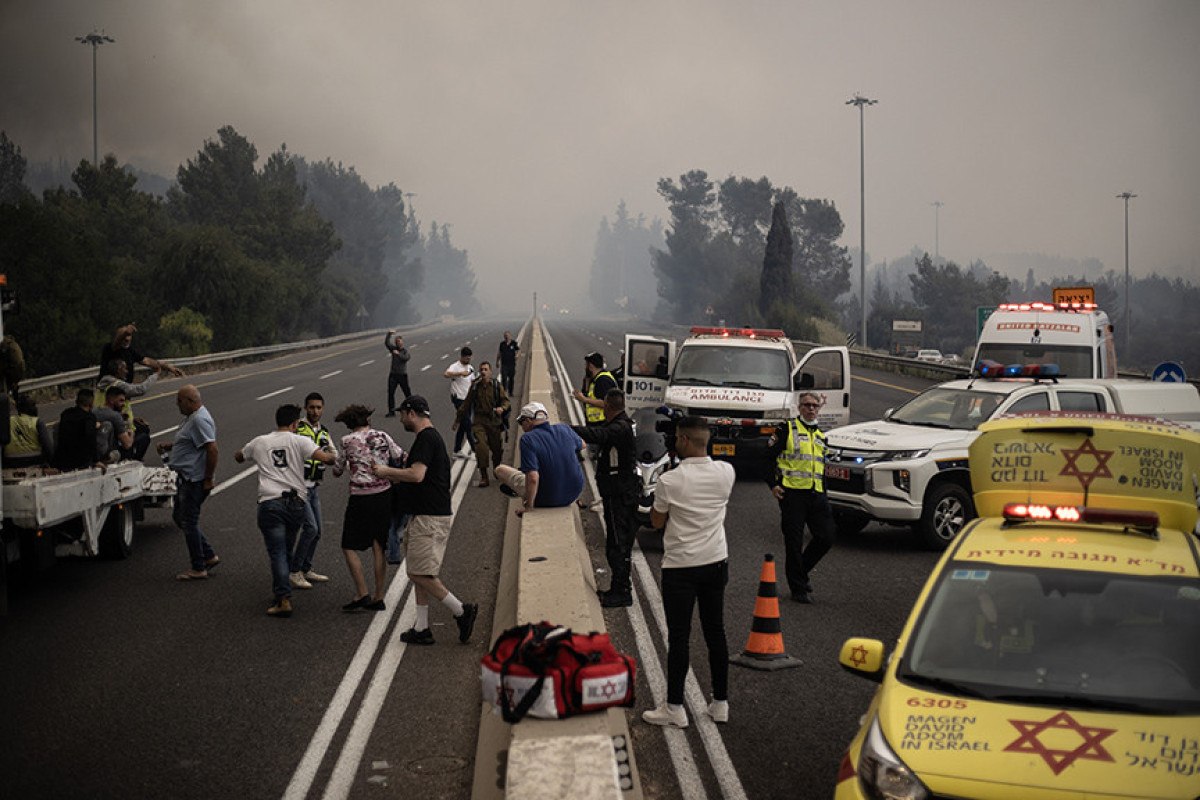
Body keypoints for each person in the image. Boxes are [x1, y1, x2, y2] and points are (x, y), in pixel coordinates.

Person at [642, 416, 736, 728]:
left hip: (681, 566)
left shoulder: (670, 480)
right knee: (716, 631)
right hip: (716, 561)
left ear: (682, 440)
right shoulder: (726, 472)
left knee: (680, 637)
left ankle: (674, 708)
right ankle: (720, 703)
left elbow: (656, 521)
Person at [373, 395, 477, 645]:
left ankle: (461, 610)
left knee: (419, 574)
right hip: (425, 514)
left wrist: (386, 472)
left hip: (429, 517)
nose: (401, 419)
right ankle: (422, 628)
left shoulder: (426, 438)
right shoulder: (430, 438)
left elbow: (417, 474)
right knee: (420, 571)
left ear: (411, 413)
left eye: (402, 414)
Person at [235, 404, 337, 617]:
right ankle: (283, 591)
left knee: (277, 552)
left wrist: (248, 453)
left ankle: (283, 598)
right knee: (286, 549)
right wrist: (330, 451)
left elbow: (239, 456)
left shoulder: (260, 441)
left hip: (270, 503)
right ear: (295, 423)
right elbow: (327, 459)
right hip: (295, 503)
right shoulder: (300, 441)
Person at [331, 404, 405, 612]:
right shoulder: (382, 436)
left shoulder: (346, 441)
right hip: (383, 495)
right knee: (378, 545)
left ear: (348, 424)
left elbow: (337, 469)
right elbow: (400, 456)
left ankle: (362, 592)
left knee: (348, 544)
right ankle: (379, 596)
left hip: (360, 497)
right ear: (368, 420)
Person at [572, 388, 639, 607]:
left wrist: (568, 429)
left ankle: (621, 592)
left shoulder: (620, 428)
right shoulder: (620, 423)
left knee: (618, 545)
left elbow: (598, 435)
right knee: (616, 543)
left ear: (608, 406)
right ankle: (617, 589)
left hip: (620, 495)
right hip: (617, 494)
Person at [766, 391, 835, 604]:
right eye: (806, 405)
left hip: (816, 494)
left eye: (815, 405)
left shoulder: (821, 435)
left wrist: (824, 493)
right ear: (799, 407)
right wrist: (773, 485)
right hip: (792, 495)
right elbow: (767, 457)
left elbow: (821, 467)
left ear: (819, 408)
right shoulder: (786, 429)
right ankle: (798, 588)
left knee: (826, 537)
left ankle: (800, 572)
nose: (811, 408)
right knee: (794, 542)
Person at [158, 385, 220, 581]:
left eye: (180, 401)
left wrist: (208, 478)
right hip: (187, 478)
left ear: (191, 401)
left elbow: (212, 449)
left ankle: (198, 567)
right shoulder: (192, 418)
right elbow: (193, 441)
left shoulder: (199, 419)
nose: (177, 404)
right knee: (180, 517)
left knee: (188, 521)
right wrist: (172, 445)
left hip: (195, 480)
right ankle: (208, 555)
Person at [493, 401, 584, 516]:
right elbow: (583, 445)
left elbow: (533, 478)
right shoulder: (564, 428)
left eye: (521, 423)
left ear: (528, 421)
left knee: (500, 470)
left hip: (545, 498)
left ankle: (520, 492)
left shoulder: (528, 439)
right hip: (573, 494)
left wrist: (528, 506)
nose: (522, 427)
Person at [292, 392, 337, 588]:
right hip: (299, 488)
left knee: (317, 532)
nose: (315, 411)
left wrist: (329, 457)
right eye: (311, 407)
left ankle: (305, 568)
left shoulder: (323, 431)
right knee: (310, 528)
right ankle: (294, 571)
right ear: (305, 408)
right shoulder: (297, 428)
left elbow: (334, 454)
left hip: (314, 487)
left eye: (318, 408)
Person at [452, 360, 509, 488]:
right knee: (481, 448)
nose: (483, 372)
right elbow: (466, 404)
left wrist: (502, 408)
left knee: (496, 449)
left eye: (485, 369)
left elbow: (505, 401)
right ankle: (484, 476)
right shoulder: (475, 387)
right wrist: (457, 420)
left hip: (494, 421)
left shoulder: (496, 386)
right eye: (481, 370)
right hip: (479, 421)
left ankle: (497, 469)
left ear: (490, 372)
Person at [95, 358, 161, 460]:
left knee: (141, 427)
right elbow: (140, 389)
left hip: (104, 422)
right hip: (115, 426)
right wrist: (156, 374)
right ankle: (131, 460)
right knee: (143, 436)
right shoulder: (117, 385)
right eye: (124, 368)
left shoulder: (101, 385)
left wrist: (132, 419)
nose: (127, 371)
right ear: (118, 370)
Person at [98, 323, 183, 381]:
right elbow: (116, 342)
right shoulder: (109, 348)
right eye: (125, 336)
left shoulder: (131, 351)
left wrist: (169, 367)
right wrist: (125, 332)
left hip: (123, 394)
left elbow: (148, 361)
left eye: (129, 335)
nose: (127, 338)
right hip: (108, 393)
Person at [52, 389, 101, 471]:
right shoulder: (89, 418)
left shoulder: (66, 414)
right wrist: (96, 460)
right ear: (91, 403)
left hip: (63, 459)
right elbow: (90, 439)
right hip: (81, 461)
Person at [4, 394, 54, 468]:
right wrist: (53, 464)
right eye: (33, 406)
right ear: (28, 408)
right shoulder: (37, 422)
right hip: (35, 461)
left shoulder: (8, 421)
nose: (36, 408)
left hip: (11, 462)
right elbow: (48, 447)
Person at [443, 346, 477, 457]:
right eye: (467, 358)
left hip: (468, 399)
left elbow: (472, 382)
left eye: (470, 358)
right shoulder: (455, 366)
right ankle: (475, 449)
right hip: (458, 399)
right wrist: (459, 374)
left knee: (463, 425)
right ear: (462, 357)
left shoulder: (470, 367)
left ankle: (457, 450)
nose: (468, 360)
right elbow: (446, 374)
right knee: (468, 424)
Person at [572, 352, 618, 430]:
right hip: (594, 423)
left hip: (602, 423)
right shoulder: (593, 379)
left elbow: (606, 403)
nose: (585, 368)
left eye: (586, 365)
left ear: (591, 366)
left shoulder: (603, 380)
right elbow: (588, 395)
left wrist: (584, 399)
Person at [93, 386, 135, 462]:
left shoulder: (94, 411)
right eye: (121, 401)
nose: (124, 404)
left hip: (95, 451)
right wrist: (131, 433)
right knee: (142, 439)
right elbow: (127, 445)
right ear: (111, 400)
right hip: (109, 453)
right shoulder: (115, 416)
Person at [383, 330, 412, 416]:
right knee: (391, 393)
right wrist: (389, 334)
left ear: (402, 342)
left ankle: (412, 409)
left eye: (399, 341)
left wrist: (398, 354)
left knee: (407, 393)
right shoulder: (393, 349)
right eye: (397, 342)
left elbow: (405, 358)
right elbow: (387, 343)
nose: (398, 343)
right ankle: (391, 411)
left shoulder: (405, 351)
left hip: (402, 375)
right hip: (393, 375)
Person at [496, 331, 519, 396]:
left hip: (511, 364)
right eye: (505, 336)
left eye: (508, 336)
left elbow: (518, 350)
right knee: (504, 378)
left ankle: (510, 392)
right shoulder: (502, 344)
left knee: (511, 378)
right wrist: (497, 361)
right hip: (504, 364)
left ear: (510, 336)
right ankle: (504, 391)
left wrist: (517, 355)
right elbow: (499, 353)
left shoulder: (514, 343)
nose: (506, 337)